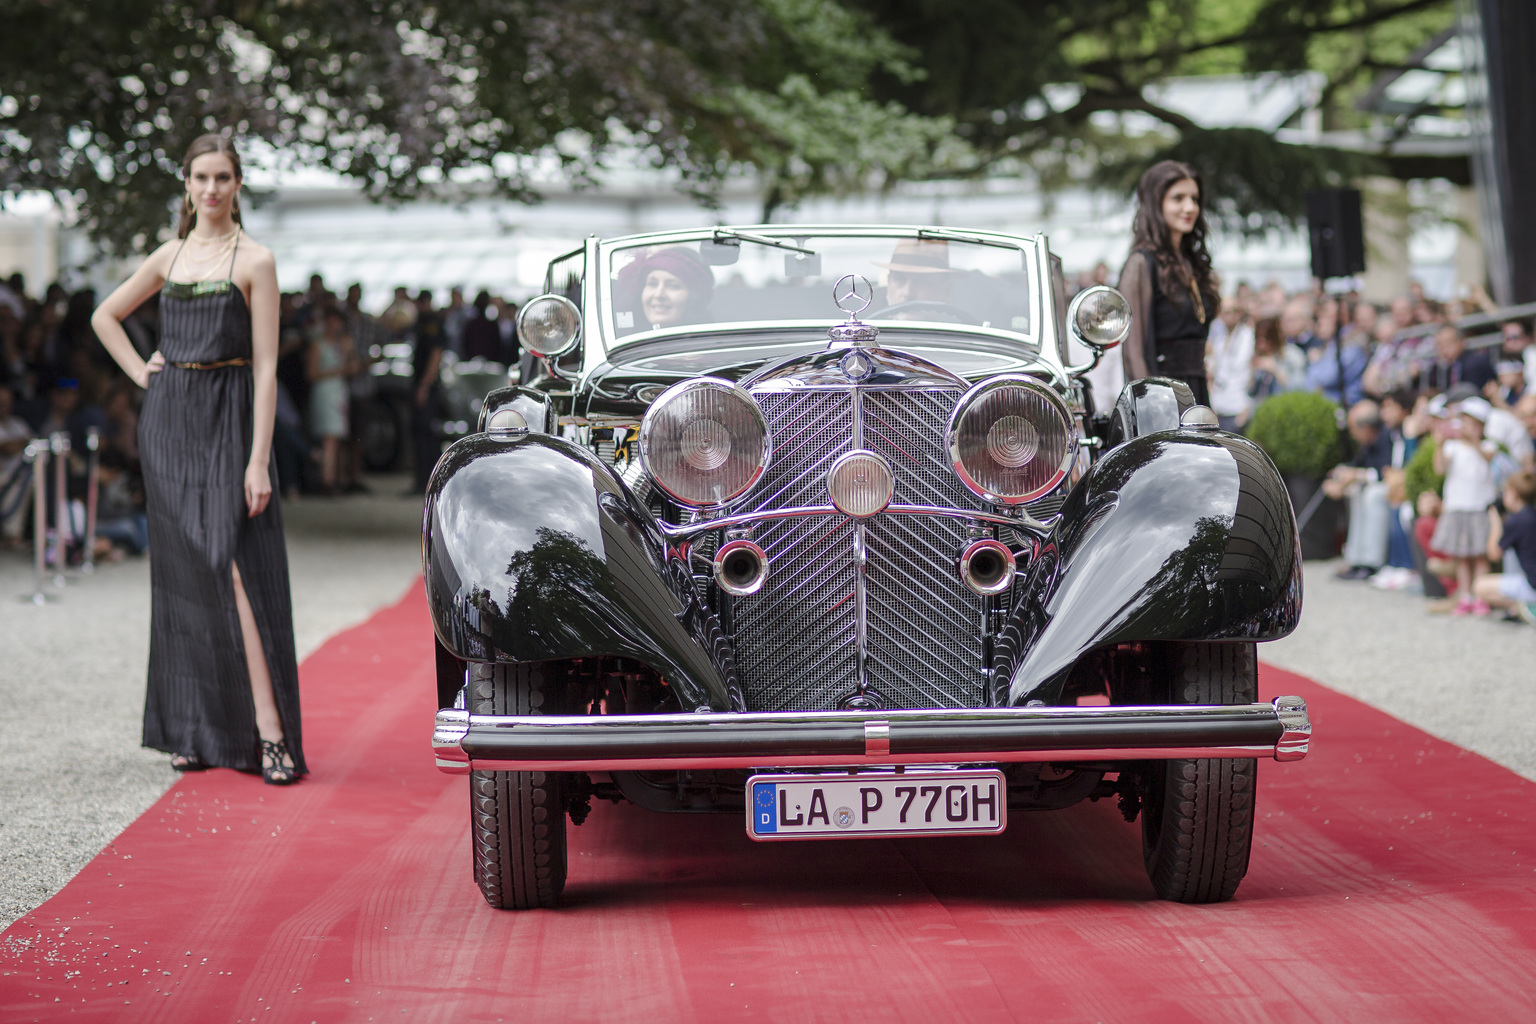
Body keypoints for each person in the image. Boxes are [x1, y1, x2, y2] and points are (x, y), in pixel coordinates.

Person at [91, 133, 304, 785]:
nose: (211, 188)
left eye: (222, 177)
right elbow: (106, 316)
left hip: (230, 417)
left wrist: (259, 459)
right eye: (200, 177)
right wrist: (139, 372)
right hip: (170, 418)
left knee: (233, 567)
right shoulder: (170, 254)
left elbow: (267, 369)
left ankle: (272, 735)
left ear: (237, 184)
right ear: (186, 184)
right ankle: (194, 729)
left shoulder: (257, 260)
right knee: (183, 574)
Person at [1117, 160, 1220, 405]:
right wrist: (1151, 407)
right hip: (1161, 396)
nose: (1190, 207)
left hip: (1197, 389)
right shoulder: (1141, 263)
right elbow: (1134, 352)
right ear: (1156, 202)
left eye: (1194, 199)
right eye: (1178, 198)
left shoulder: (1191, 262)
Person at [1429, 399, 1499, 615]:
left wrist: (1474, 441)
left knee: (1479, 556)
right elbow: (1440, 469)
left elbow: (1488, 458)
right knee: (1462, 556)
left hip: (1478, 507)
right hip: (1457, 506)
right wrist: (1440, 444)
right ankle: (1465, 595)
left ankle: (1481, 595)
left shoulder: (1488, 446)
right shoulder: (1452, 447)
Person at [1324, 400, 1394, 580]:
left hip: (1389, 488)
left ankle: (1371, 562)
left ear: (1366, 428)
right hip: (1372, 486)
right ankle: (1355, 559)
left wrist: (1356, 475)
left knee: (1372, 495)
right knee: (1354, 491)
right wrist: (1341, 477)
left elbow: (1384, 471)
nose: (1352, 434)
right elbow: (1357, 465)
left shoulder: (1386, 437)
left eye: (1353, 428)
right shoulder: (1368, 442)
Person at [1473, 470, 1536, 624]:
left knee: (1479, 586)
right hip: (1530, 579)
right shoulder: (1531, 516)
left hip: (1533, 585)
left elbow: (1494, 554)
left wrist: (1495, 522)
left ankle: (1524, 607)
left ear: (1513, 493)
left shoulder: (1516, 521)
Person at [307, 305, 357, 494]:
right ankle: (326, 480)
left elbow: (352, 366)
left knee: (337, 437)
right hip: (325, 391)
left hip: (338, 392)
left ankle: (334, 478)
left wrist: (347, 350)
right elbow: (311, 374)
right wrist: (340, 370)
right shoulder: (317, 344)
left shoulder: (341, 344)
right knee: (329, 437)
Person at [614, 247, 715, 332]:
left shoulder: (707, 350)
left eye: (673, 286)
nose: (659, 294)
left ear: (694, 298)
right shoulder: (630, 348)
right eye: (652, 284)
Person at [408, 289, 445, 494]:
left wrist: (424, 385)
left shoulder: (432, 323)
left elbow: (435, 355)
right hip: (422, 384)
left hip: (426, 386)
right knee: (420, 431)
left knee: (425, 433)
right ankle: (421, 480)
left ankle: (427, 481)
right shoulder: (423, 322)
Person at [1205, 297, 1254, 430]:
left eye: (1230, 311)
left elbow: (1241, 365)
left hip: (1239, 404)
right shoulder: (1218, 336)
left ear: (1238, 313)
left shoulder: (1246, 335)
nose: (1226, 316)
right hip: (1219, 403)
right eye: (1223, 312)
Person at [1248, 317, 1306, 400]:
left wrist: (1275, 370)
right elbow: (1250, 392)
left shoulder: (1293, 355)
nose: (1261, 344)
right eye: (1258, 339)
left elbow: (1298, 389)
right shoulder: (1257, 357)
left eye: (1266, 338)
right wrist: (1251, 372)